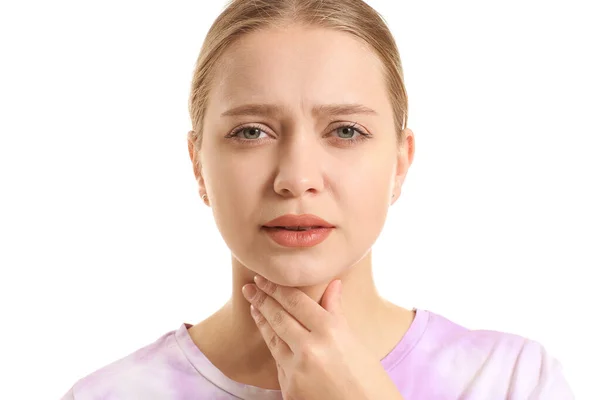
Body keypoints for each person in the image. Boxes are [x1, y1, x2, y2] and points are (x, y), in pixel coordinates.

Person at [61, 0, 574, 398]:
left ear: (400, 161)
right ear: (198, 163)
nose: (296, 178)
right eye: (251, 132)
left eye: (346, 130)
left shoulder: (511, 383)